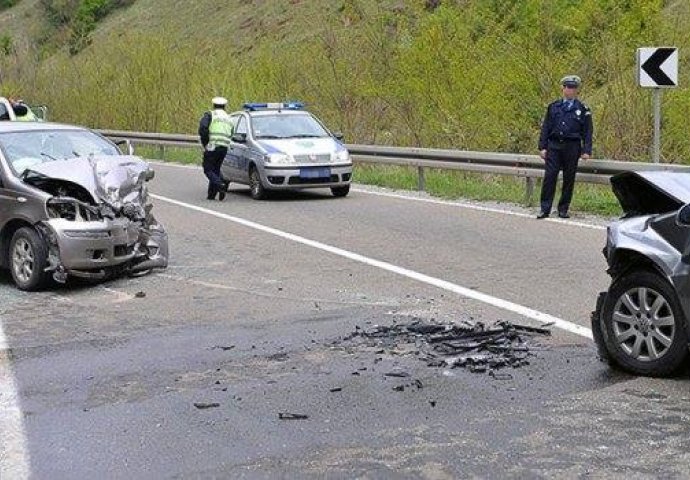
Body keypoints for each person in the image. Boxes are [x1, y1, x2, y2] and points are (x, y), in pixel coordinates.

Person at [537, 75, 593, 219]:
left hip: (572, 146)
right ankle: (545, 208)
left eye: (573, 88)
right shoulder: (554, 106)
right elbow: (546, 127)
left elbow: (587, 131)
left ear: (576, 90)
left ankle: (563, 209)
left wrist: (586, 150)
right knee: (550, 177)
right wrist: (542, 147)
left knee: (569, 179)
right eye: (567, 87)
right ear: (563, 88)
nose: (570, 90)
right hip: (554, 145)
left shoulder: (583, 109)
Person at [198, 97, 233, 201]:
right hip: (224, 147)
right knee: (216, 169)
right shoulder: (229, 118)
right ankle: (211, 195)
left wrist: (206, 143)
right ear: (224, 106)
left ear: (213, 105)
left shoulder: (210, 115)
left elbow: (203, 129)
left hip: (213, 145)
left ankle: (220, 185)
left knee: (207, 169)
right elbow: (232, 133)